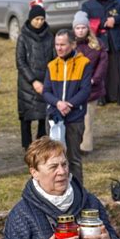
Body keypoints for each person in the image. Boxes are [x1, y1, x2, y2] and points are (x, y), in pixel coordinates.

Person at [43, 29, 91, 185]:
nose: (59, 48)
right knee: (53, 159)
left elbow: (85, 91)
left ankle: (78, 193)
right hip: (54, 118)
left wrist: (70, 104)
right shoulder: (51, 65)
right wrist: (58, 103)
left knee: (73, 159)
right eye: (57, 44)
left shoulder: (84, 63)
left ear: (73, 44)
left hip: (74, 118)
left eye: (63, 44)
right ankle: (54, 191)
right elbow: (46, 91)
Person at [16, 5, 54, 151]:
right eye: (36, 19)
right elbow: (20, 61)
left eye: (42, 19)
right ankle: (27, 147)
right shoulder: (23, 37)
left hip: (45, 81)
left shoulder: (49, 36)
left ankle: (41, 146)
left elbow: (53, 58)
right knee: (26, 116)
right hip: (27, 84)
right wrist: (33, 80)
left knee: (42, 116)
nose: (39, 22)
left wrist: (48, 80)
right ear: (31, 19)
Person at [82, 0, 120, 106]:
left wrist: (115, 20)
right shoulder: (87, 5)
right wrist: (102, 22)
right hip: (98, 42)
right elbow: (84, 22)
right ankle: (101, 97)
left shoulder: (116, 1)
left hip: (114, 41)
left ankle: (119, 95)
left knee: (117, 69)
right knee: (100, 69)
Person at [73, 11, 108, 154]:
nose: (80, 30)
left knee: (88, 120)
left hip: (92, 90)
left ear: (88, 28)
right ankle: (73, 145)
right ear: (74, 29)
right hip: (74, 89)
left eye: (83, 27)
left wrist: (95, 79)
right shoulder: (71, 45)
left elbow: (103, 63)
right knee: (74, 121)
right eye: (77, 28)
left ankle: (86, 147)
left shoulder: (97, 44)